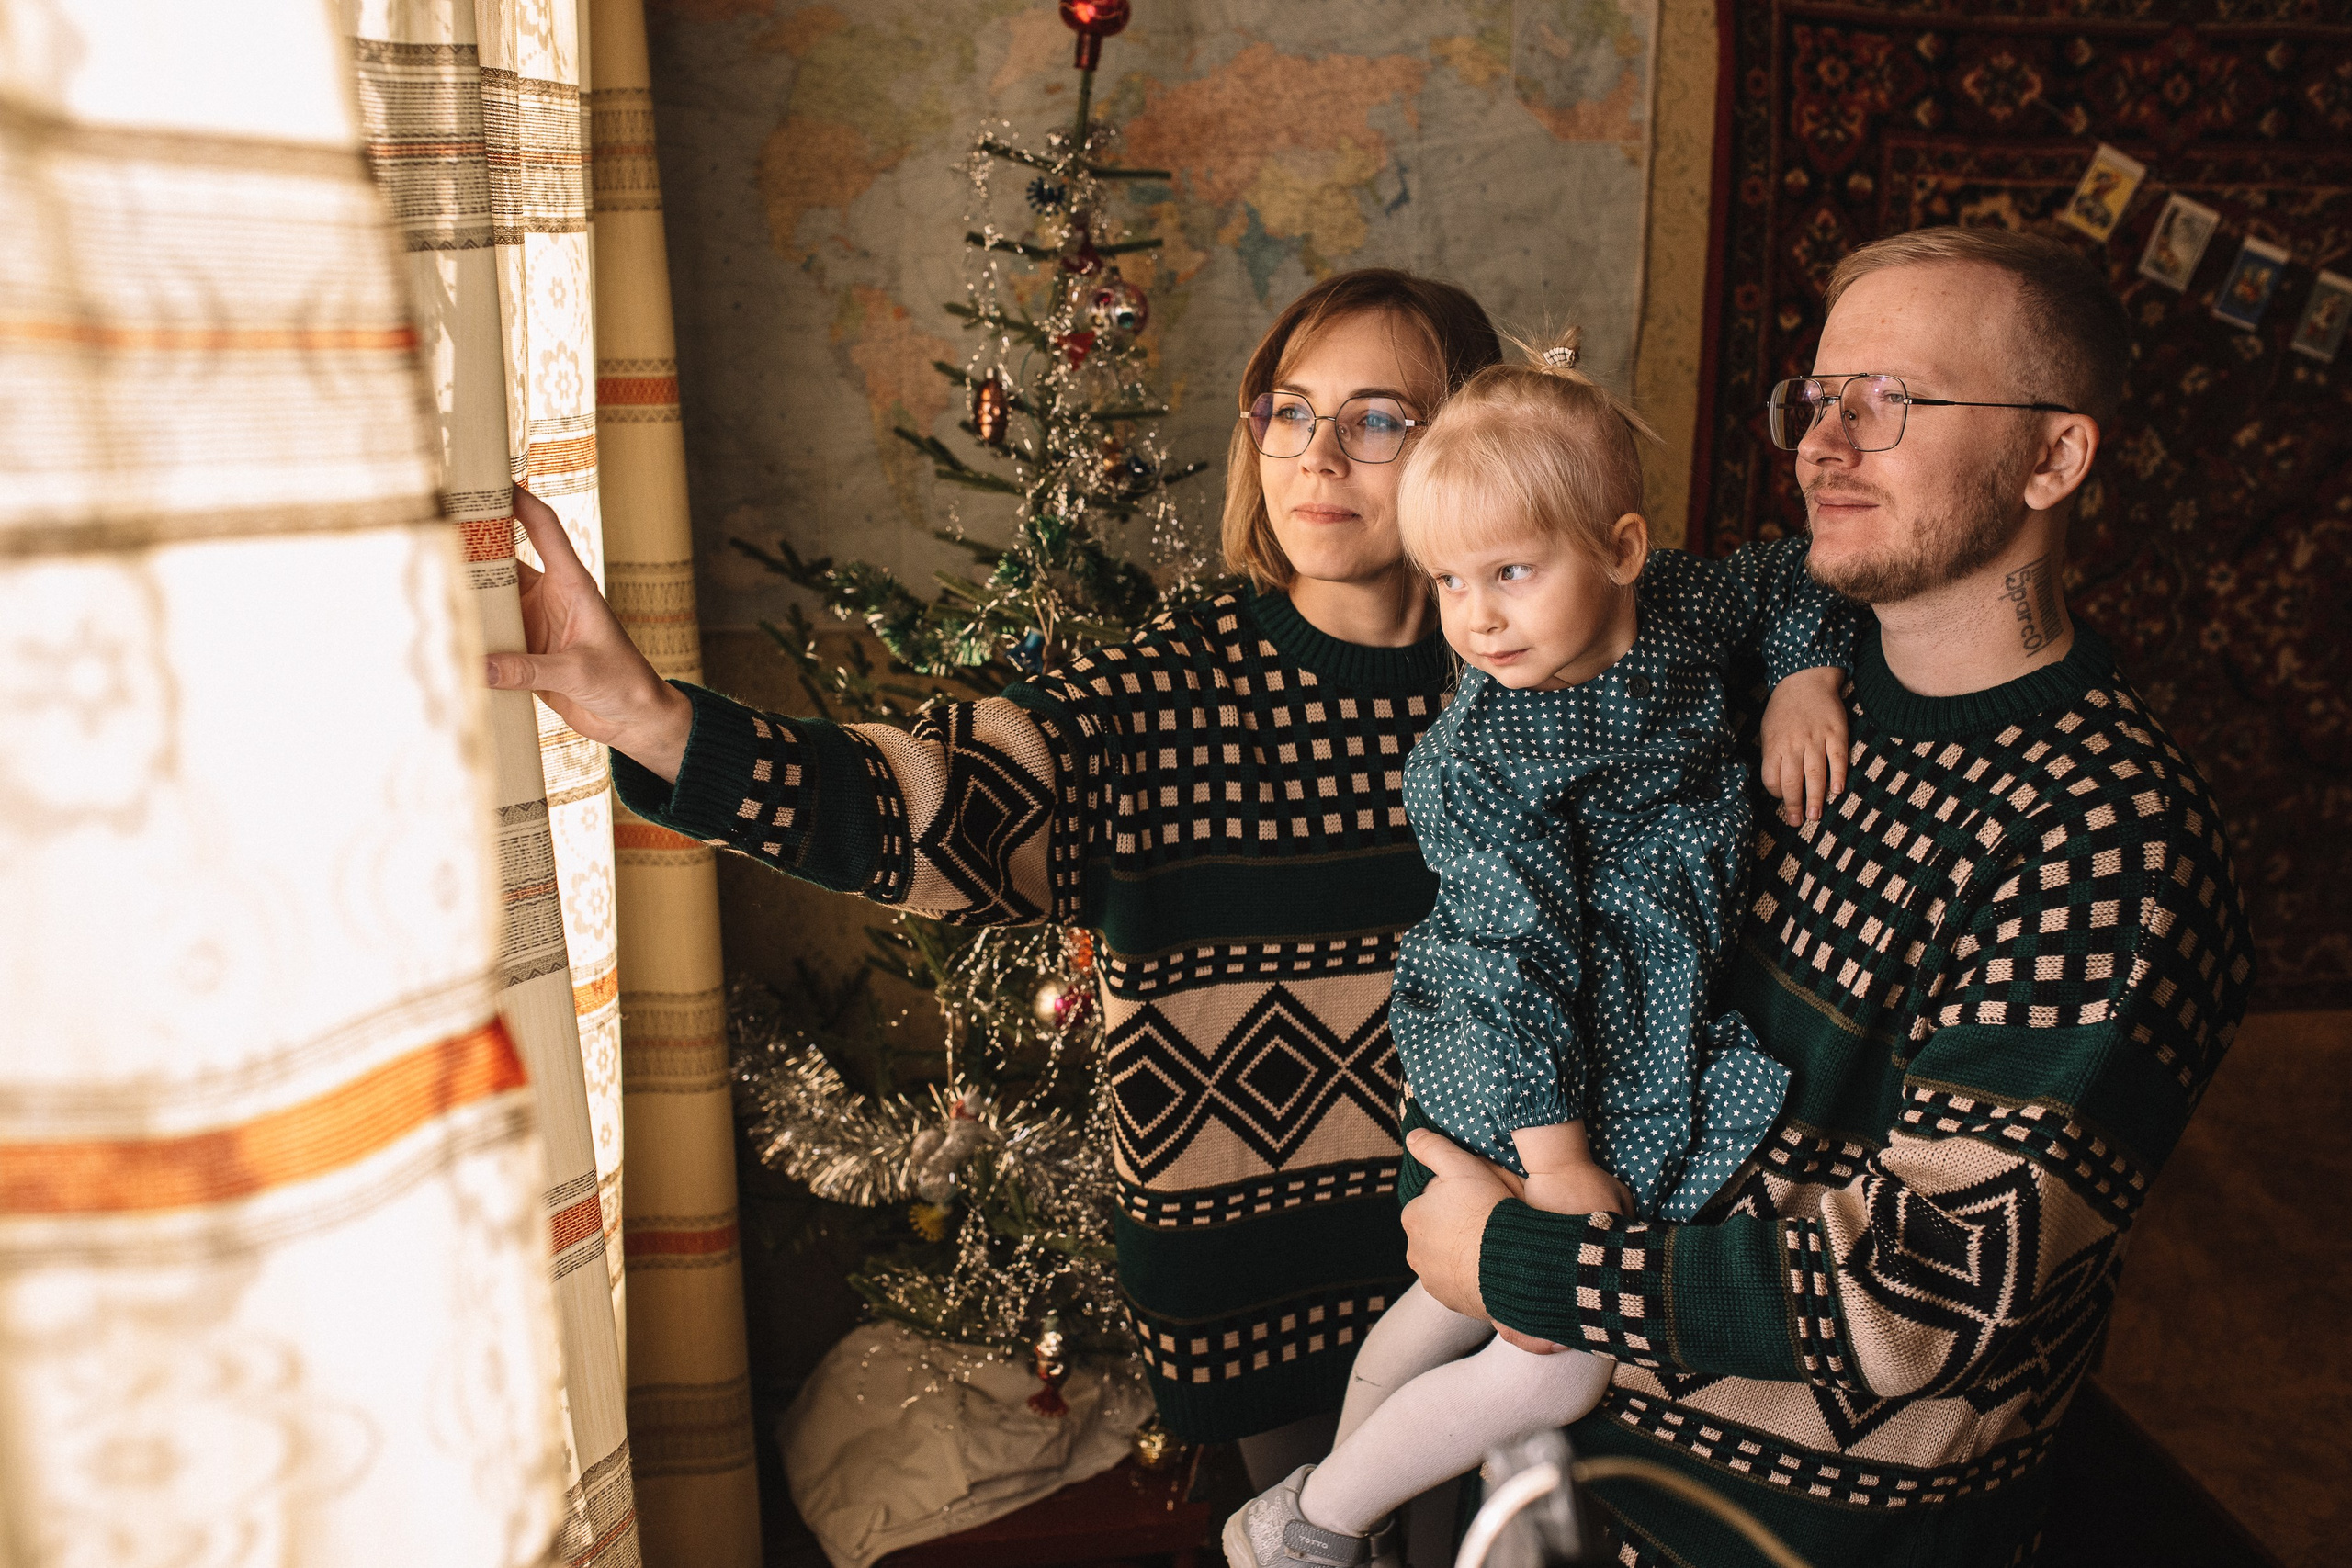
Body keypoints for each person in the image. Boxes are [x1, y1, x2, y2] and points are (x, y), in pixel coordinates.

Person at [497, 270, 1770, 1556]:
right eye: (1288, 409)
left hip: (1523, 1229)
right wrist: (657, 723)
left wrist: (1811, 678)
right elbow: (920, 804)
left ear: (1470, 445)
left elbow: (1755, 612)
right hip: (1265, 1268)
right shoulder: (1168, 692)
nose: (1318, 455)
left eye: (1379, 419)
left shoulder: (1543, 650)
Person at [1398, 228, 2254, 1567]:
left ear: (2054, 457)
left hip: (1788, 1532)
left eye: (1892, 401)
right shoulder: (1713, 676)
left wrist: (1506, 1258)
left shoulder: (2111, 844)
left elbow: (1915, 1295)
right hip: (1560, 1465)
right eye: (1816, 397)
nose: (1823, 444)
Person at [1221, 330, 1858, 1568]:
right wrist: (1555, 1161)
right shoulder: (1486, 758)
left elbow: (1793, 577)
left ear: (1622, 552)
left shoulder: (1680, 606)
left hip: (1632, 1011)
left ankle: (1358, 1490)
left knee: (1445, 1302)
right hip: (1535, 1053)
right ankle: (1309, 1526)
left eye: (1508, 572)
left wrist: (1803, 677)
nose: (1476, 620)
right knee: (1562, 1371)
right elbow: (1514, 967)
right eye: (1448, 583)